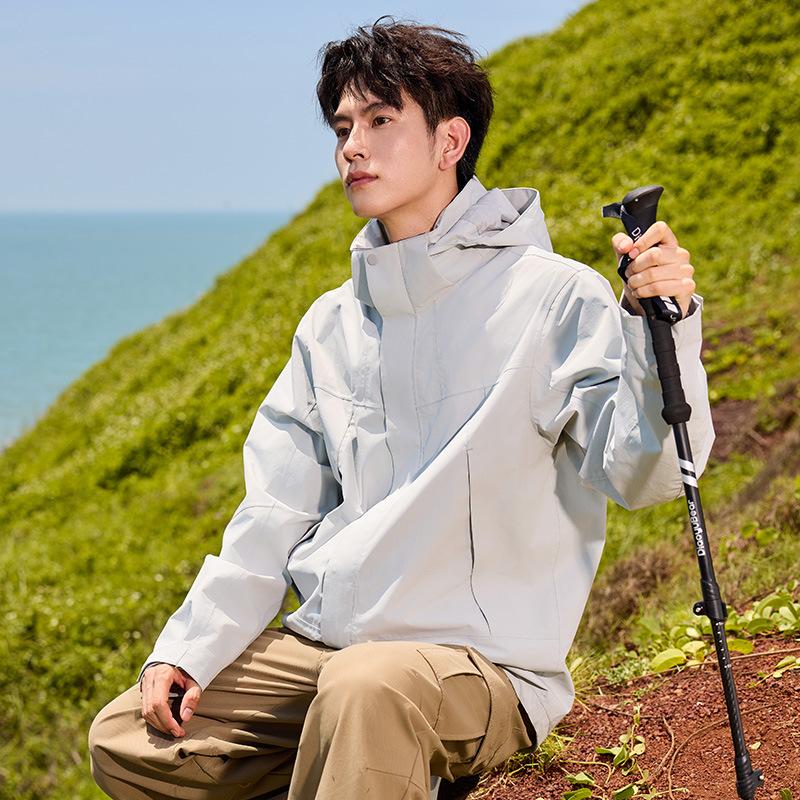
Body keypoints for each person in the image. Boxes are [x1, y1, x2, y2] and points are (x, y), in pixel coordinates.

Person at [88, 15, 714, 800]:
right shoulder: (330, 323)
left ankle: (373, 764)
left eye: (381, 120)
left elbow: (646, 474)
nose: (353, 147)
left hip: (481, 668)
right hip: (330, 652)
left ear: (450, 141)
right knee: (127, 737)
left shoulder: (555, 297)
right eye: (342, 127)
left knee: (366, 690)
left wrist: (664, 331)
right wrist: (190, 646)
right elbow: (274, 512)